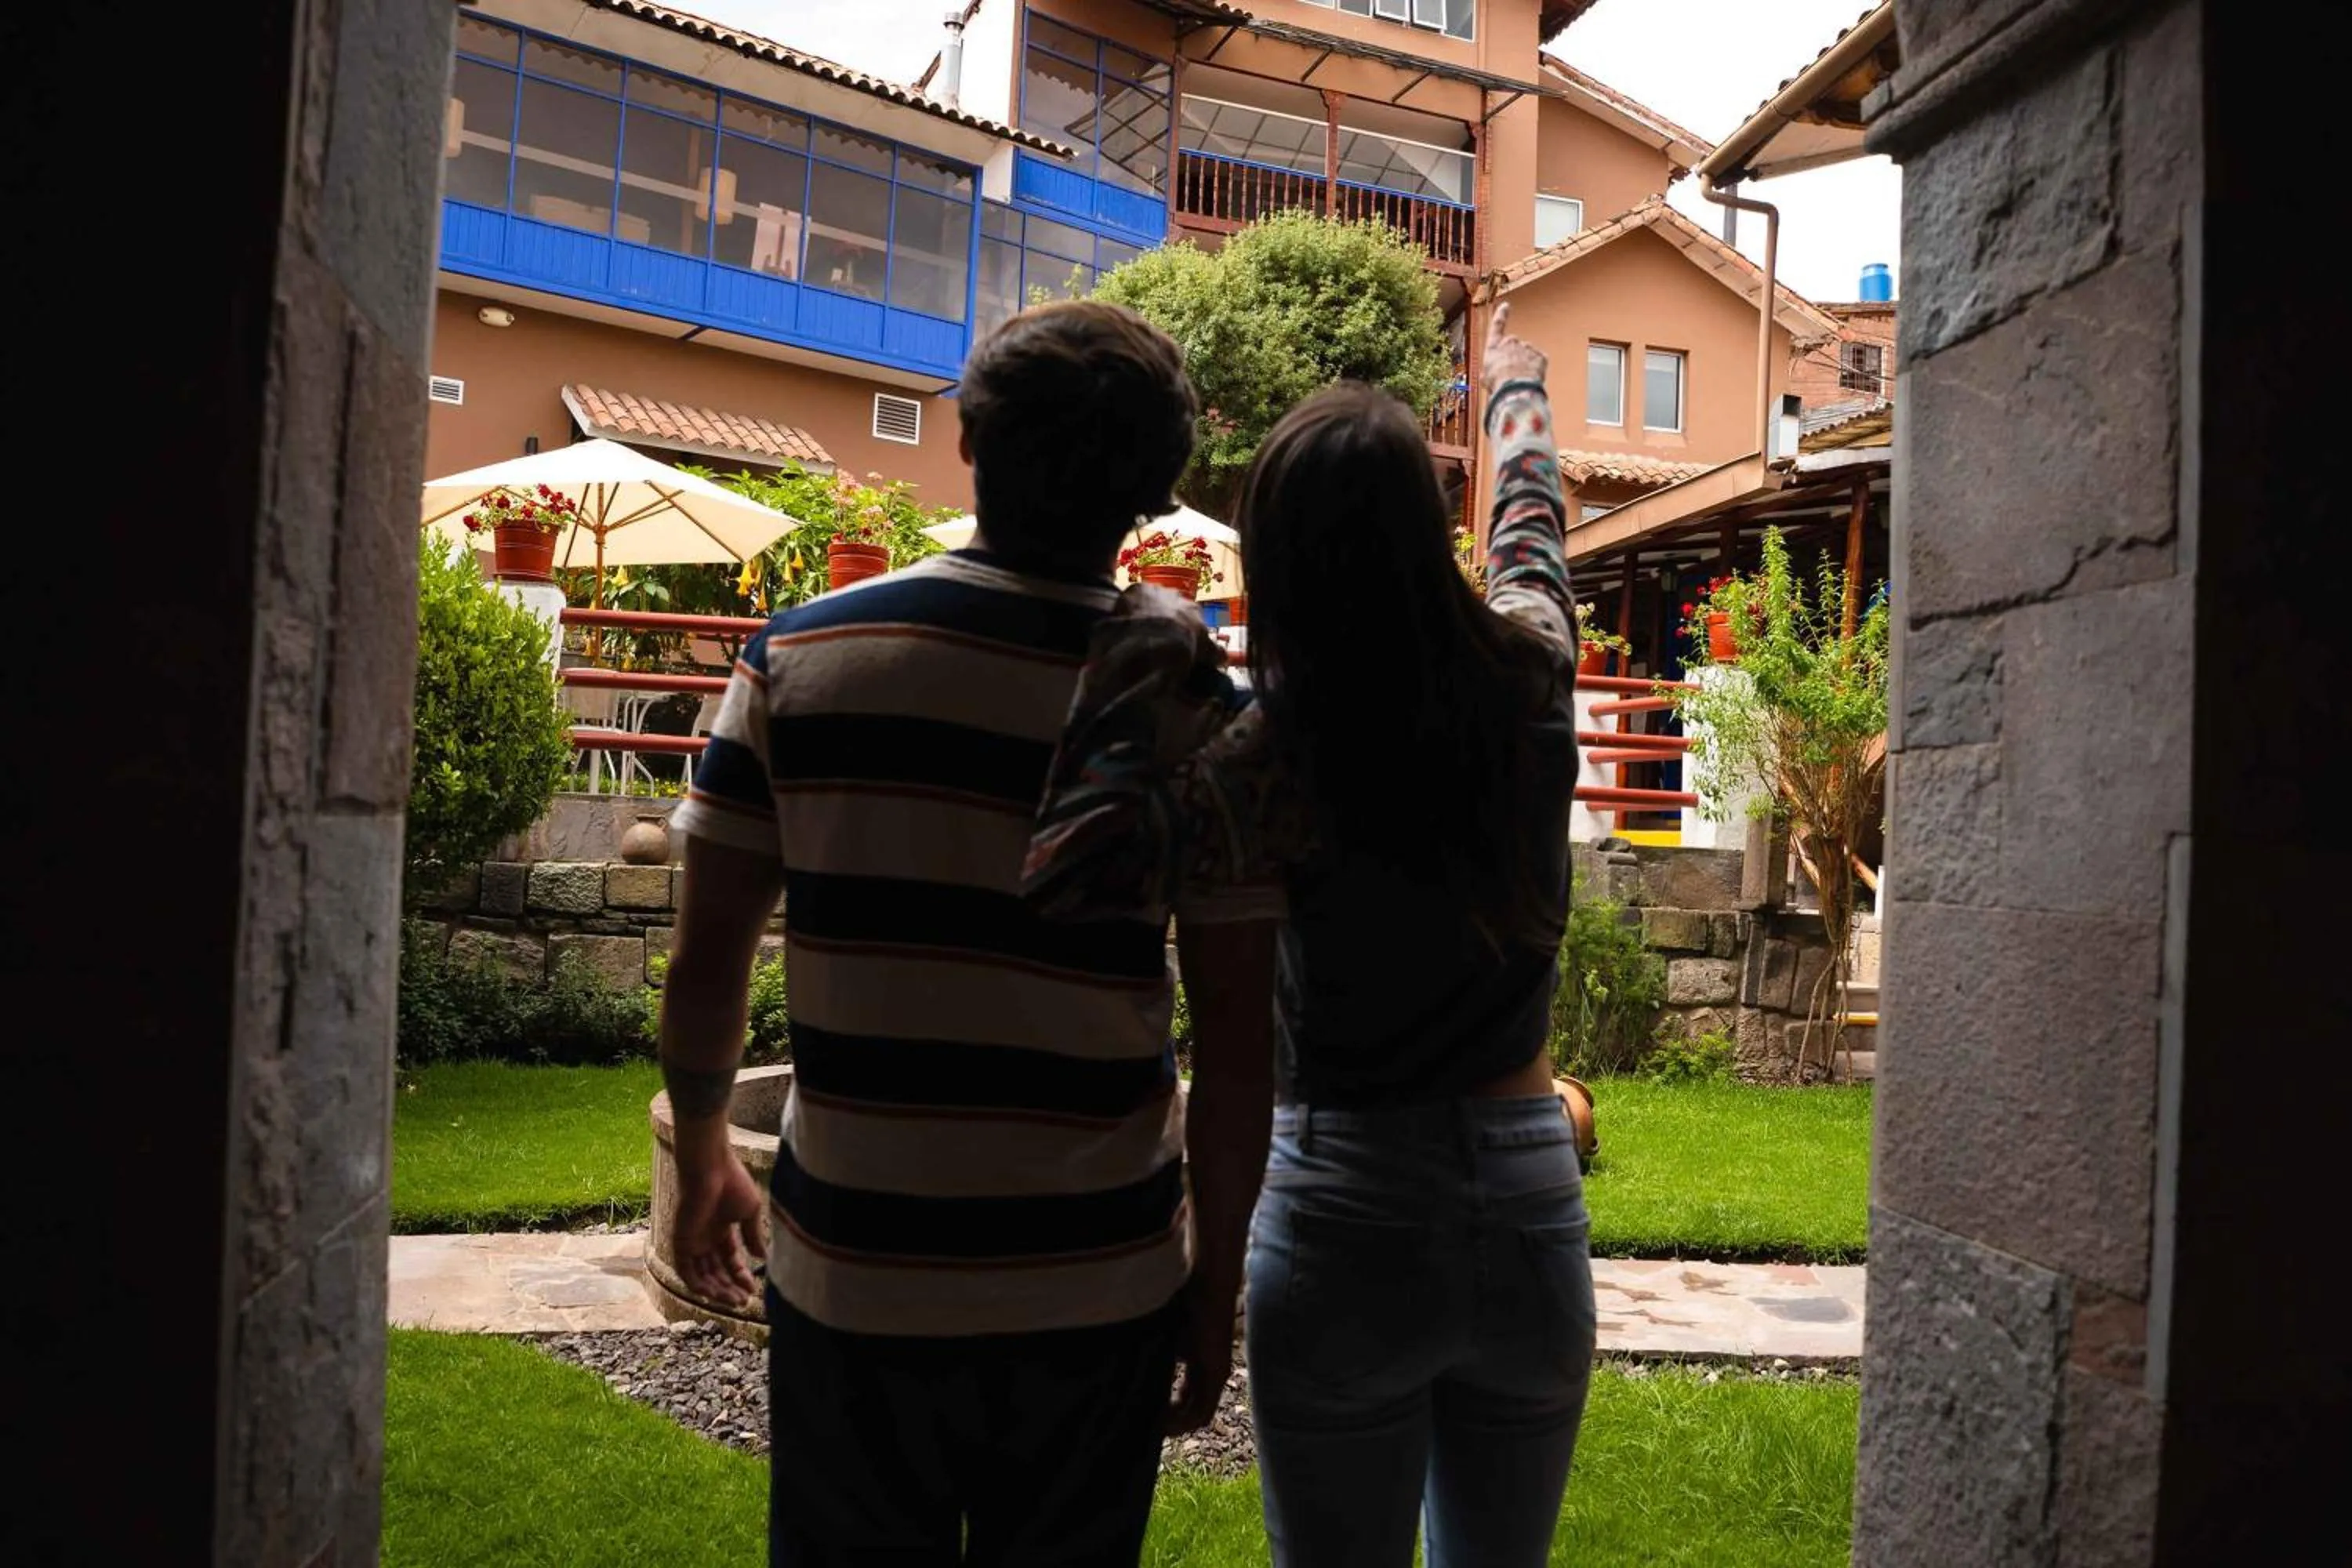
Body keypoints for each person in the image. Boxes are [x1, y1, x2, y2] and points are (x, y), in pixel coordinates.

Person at [658, 299, 1281, 1566]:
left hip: (856, 1274)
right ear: (1154, 492)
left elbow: (709, 951)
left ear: (968, 441)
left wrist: (710, 1140)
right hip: (1099, 1284)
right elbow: (1238, 1045)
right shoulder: (1195, 706)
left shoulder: (801, 660)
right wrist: (1215, 1284)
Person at [1023, 303, 1595, 1567]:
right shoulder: (1532, 678)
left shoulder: (1268, 754)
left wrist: (1140, 647)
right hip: (1529, 1200)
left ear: (1279, 560)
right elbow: (1532, 534)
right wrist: (1516, 388)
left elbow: (1073, 870)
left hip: (1344, 1208)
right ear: (1426, 537)